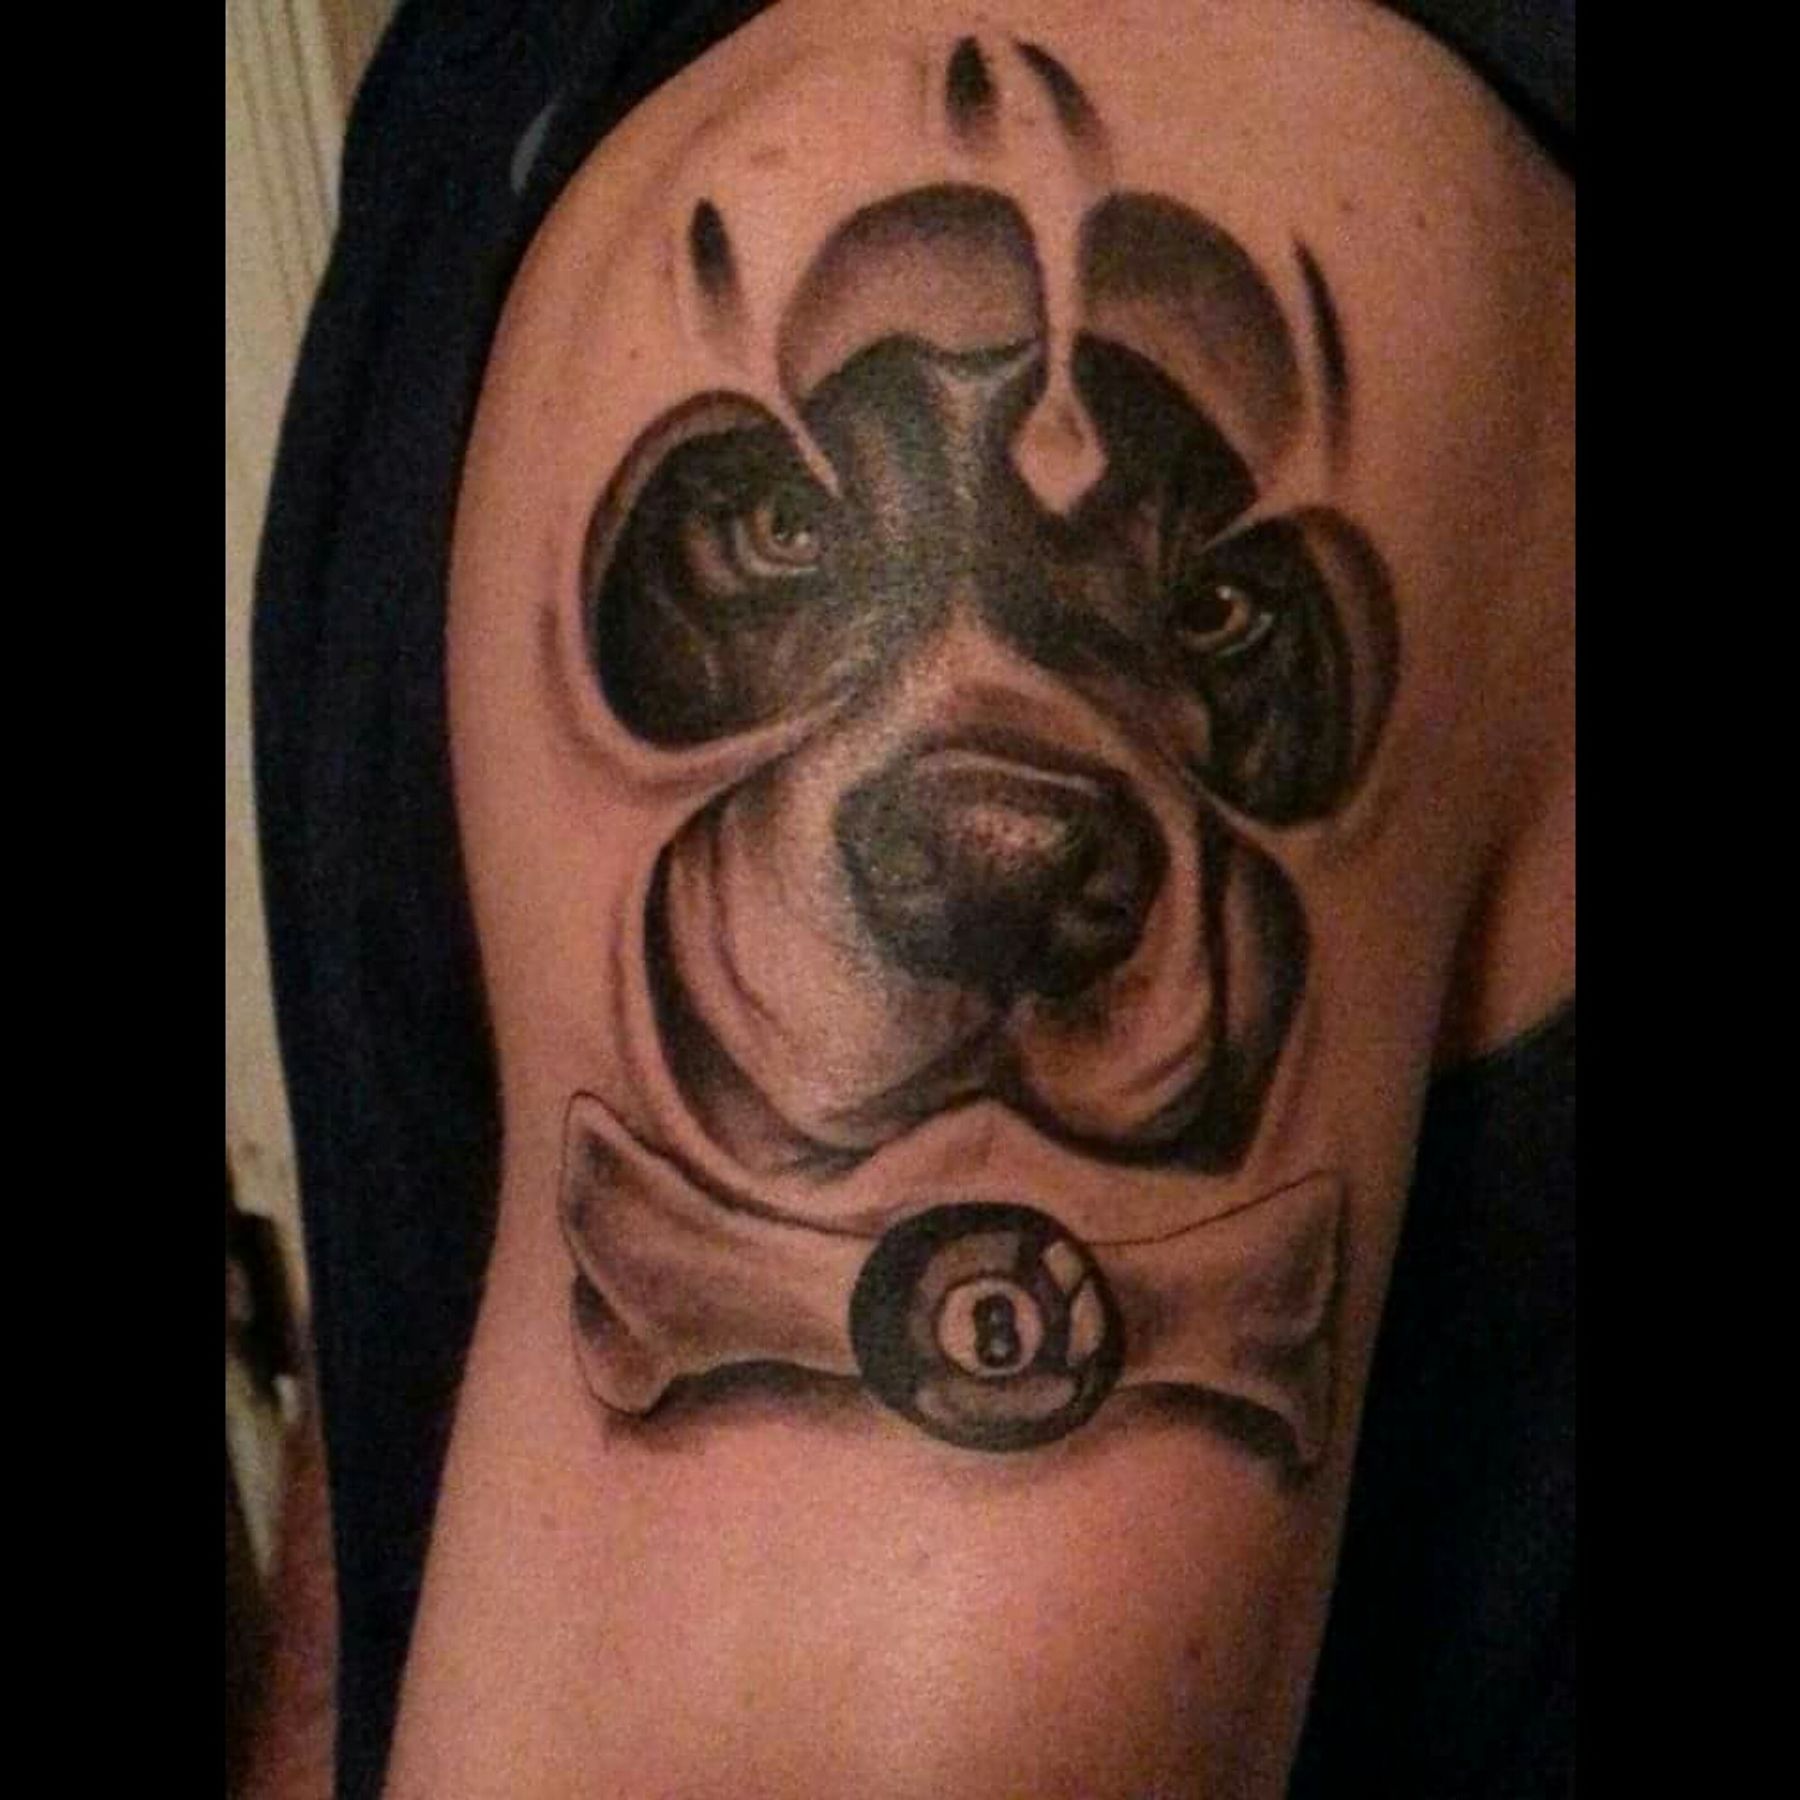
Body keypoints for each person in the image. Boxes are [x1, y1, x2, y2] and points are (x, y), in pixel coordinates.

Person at [251, 2, 1574, 1794]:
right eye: (779, 531)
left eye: (1208, 611)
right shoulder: (490, 70)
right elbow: (438, 1206)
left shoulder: (1227, 120)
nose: (994, 859)